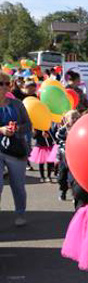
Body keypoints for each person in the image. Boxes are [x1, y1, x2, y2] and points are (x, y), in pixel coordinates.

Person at [0, 73, 32, 227]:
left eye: (7, 83)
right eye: (1, 83)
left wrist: (17, 128)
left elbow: (28, 125)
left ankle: (20, 213)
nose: (5, 86)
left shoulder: (17, 104)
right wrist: (1, 130)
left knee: (18, 185)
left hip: (15, 149)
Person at [54, 110, 80, 202]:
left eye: (77, 117)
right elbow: (58, 136)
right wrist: (64, 128)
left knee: (73, 179)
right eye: (72, 117)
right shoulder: (63, 129)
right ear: (67, 119)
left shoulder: (80, 129)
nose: (75, 119)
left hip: (74, 159)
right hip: (63, 157)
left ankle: (74, 194)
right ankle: (63, 190)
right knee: (61, 177)